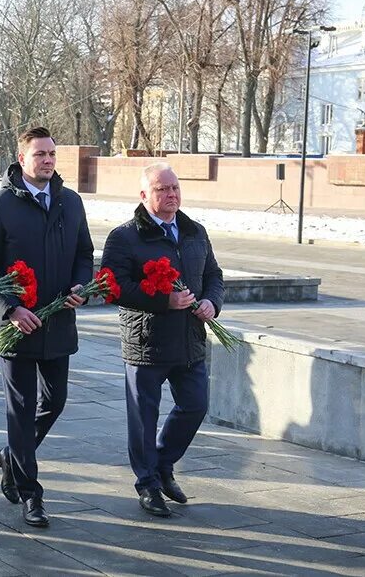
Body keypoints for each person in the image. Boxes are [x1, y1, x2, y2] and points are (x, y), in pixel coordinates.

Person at [0, 126, 94, 527]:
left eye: (51, 154)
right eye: (39, 154)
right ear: (22, 158)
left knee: (55, 402)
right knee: (21, 411)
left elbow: (84, 253)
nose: (47, 160)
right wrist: (10, 309)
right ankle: (31, 493)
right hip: (17, 329)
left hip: (59, 322)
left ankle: (12, 456)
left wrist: (81, 285)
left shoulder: (70, 203)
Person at [100, 162, 224, 517]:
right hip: (146, 343)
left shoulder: (194, 231)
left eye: (174, 188)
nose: (171, 195)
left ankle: (163, 463)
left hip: (189, 340)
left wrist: (212, 303)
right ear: (144, 195)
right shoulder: (124, 237)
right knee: (143, 418)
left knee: (195, 405)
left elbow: (214, 275)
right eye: (162, 189)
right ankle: (148, 484)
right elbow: (114, 286)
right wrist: (163, 300)